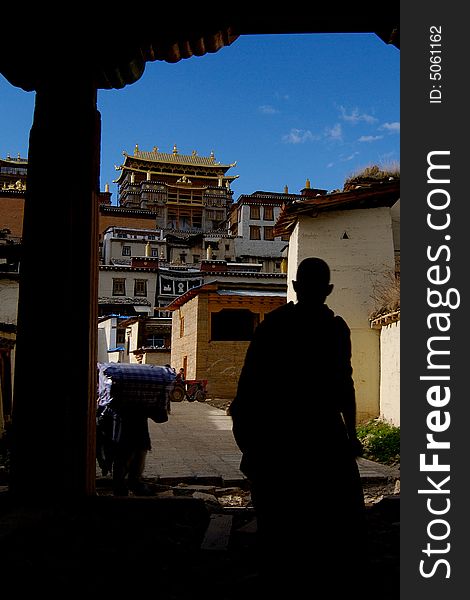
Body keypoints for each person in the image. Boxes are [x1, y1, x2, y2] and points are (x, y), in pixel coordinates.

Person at [230, 257, 365, 593]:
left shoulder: (273, 326)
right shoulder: (335, 329)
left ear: (294, 287)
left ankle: (278, 578)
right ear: (329, 290)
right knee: (328, 516)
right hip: (323, 435)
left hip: (278, 437)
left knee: (279, 516)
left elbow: (249, 385)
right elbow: (344, 385)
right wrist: (351, 434)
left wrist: (248, 437)